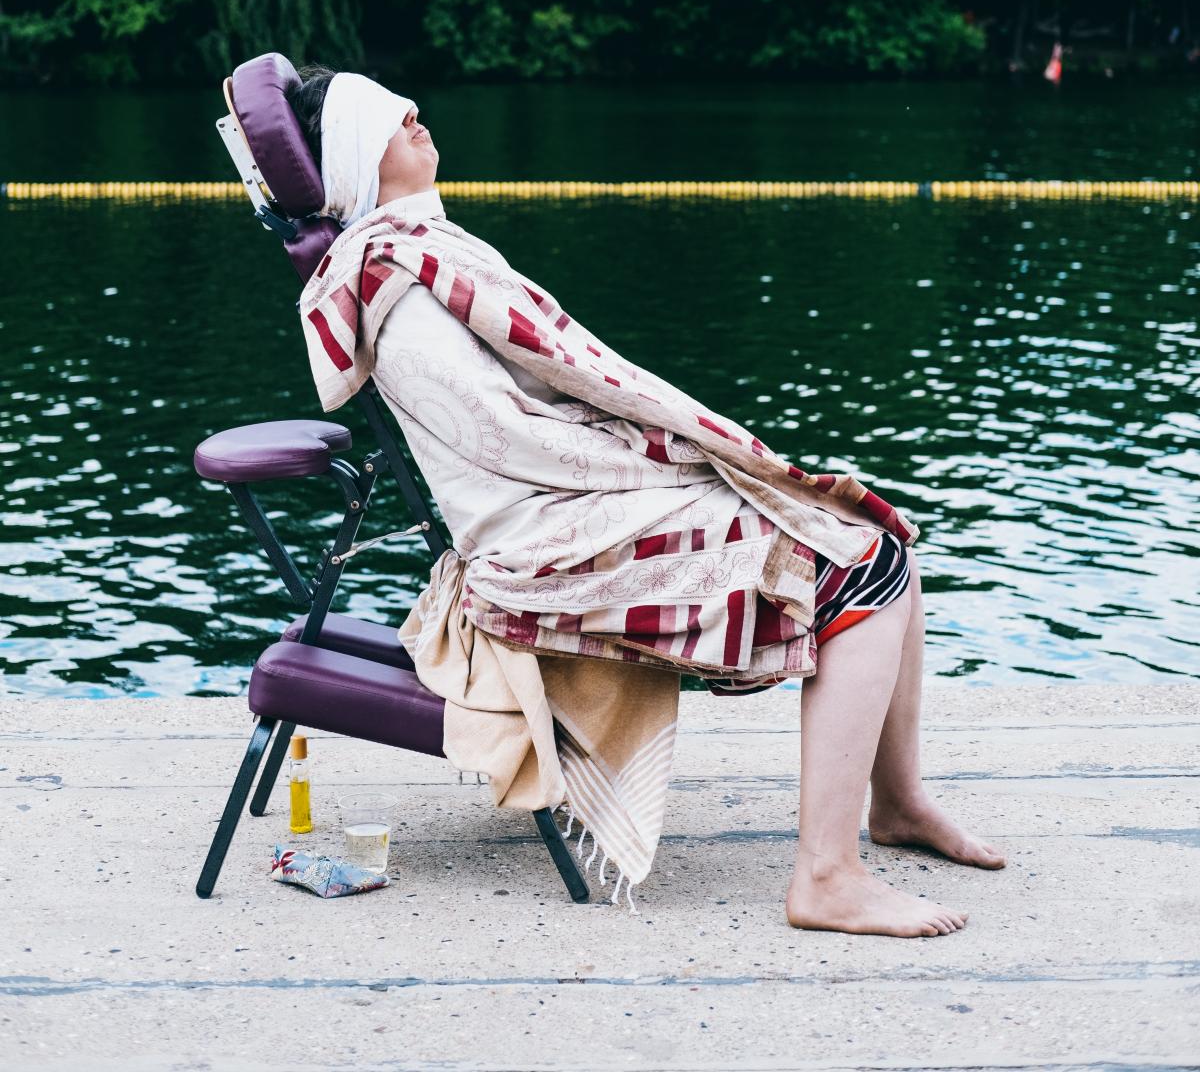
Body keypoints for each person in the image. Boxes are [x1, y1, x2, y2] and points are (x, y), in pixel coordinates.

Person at [289, 67, 1006, 933]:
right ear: (358, 162)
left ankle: (895, 803)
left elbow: (535, 413)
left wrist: (663, 450)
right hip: (541, 546)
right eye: (391, 119)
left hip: (563, 503)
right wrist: (659, 462)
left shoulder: (412, 257)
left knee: (865, 522)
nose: (415, 117)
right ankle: (826, 876)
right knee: (860, 564)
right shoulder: (397, 292)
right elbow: (509, 441)